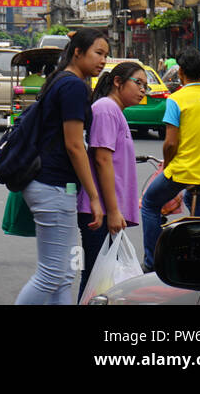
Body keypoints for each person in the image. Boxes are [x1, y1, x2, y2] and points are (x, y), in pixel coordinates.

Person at [15, 27, 107, 305]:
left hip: (51, 185)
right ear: (78, 52)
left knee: (64, 273)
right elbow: (74, 145)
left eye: (106, 55)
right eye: (98, 53)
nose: (103, 61)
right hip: (53, 186)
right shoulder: (73, 86)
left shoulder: (63, 81)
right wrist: (93, 196)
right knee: (52, 273)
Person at [140, 47, 200, 270]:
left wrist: (167, 164)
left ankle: (152, 262)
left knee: (149, 203)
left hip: (184, 169)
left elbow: (170, 143)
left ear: (181, 72)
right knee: (193, 199)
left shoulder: (176, 100)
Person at [76, 61, 145, 299]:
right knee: (95, 281)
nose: (143, 89)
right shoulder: (106, 108)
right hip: (101, 212)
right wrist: (113, 211)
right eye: (138, 83)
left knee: (102, 281)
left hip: (108, 210)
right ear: (117, 82)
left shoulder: (116, 111)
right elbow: (102, 160)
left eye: (145, 85)